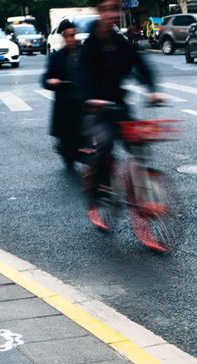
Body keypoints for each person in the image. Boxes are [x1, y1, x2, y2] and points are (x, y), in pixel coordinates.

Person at [78, 0, 161, 229]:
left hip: (118, 105)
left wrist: (152, 89)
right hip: (95, 109)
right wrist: (90, 99)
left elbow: (140, 64)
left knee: (139, 143)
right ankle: (96, 194)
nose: (111, 14)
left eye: (114, 9)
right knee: (103, 144)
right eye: (106, 9)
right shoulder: (90, 45)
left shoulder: (119, 41)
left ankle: (141, 195)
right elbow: (82, 76)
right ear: (99, 12)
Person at [43, 20, 82, 168]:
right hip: (66, 101)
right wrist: (52, 81)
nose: (72, 39)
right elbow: (45, 79)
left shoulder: (84, 54)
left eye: (74, 35)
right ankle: (67, 148)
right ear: (64, 37)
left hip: (84, 99)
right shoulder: (56, 57)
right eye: (69, 36)